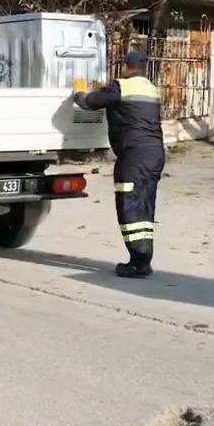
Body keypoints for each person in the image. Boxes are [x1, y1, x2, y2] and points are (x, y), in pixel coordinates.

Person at [72, 51, 165, 278]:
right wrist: (105, 88)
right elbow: (119, 99)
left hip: (134, 156)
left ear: (125, 67)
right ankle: (143, 258)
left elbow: (88, 103)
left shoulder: (120, 87)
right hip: (155, 154)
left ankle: (139, 263)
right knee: (144, 205)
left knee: (129, 205)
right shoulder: (150, 89)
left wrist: (79, 90)